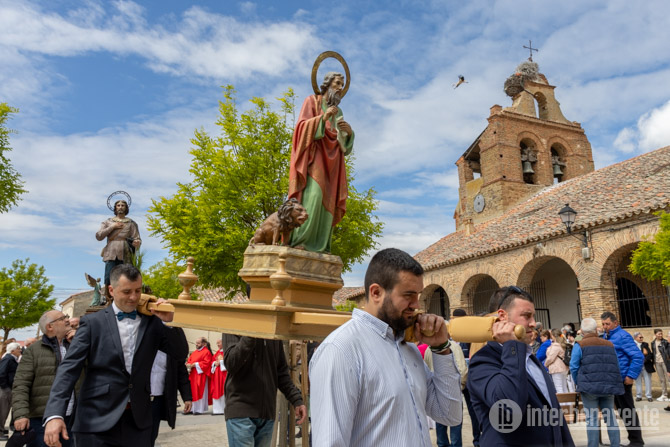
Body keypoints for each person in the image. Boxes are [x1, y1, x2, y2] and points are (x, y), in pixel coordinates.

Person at [309, 248, 462, 446]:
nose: (416, 305)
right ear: (376, 293)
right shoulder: (340, 350)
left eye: (418, 295)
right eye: (408, 295)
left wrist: (441, 348)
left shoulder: (409, 349)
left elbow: (449, 415)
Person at [43, 264, 188, 447]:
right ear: (111, 290)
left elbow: (180, 353)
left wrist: (170, 322)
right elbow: (68, 370)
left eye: (137, 290)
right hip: (95, 422)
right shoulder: (92, 323)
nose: (133, 297)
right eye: (127, 292)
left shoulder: (154, 323)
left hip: (139, 423)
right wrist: (55, 414)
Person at [467, 286, 574, 447]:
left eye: (533, 317)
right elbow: (509, 406)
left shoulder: (529, 358)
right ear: (502, 316)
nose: (533, 324)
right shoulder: (483, 361)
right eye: (526, 316)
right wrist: (512, 344)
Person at [287, 71, 354, 253]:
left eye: (342, 85)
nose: (340, 88)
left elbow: (342, 142)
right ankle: (301, 241)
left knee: (329, 202)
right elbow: (301, 129)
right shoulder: (312, 101)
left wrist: (349, 133)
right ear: (327, 84)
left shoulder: (339, 111)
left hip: (334, 163)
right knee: (314, 197)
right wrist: (323, 118)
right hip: (314, 158)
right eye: (337, 83)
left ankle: (321, 246)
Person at [223, 333, 307, 447]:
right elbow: (231, 363)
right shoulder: (235, 322)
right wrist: (250, 335)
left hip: (266, 416)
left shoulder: (273, 333)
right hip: (241, 412)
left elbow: (281, 373)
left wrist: (296, 400)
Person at [11, 310, 76, 447]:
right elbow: (21, 384)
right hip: (42, 419)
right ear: (50, 327)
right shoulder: (33, 351)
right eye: (62, 318)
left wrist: (80, 341)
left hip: (75, 418)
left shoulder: (76, 345)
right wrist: (21, 414)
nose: (67, 320)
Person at [569, 317, 623, 447]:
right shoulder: (608, 344)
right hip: (608, 386)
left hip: (589, 387)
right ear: (595, 329)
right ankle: (615, 445)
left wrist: (579, 382)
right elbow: (616, 364)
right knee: (610, 418)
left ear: (582, 330)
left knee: (592, 420)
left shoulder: (580, 344)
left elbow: (574, 366)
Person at [601, 311, 645, 447]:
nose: (605, 326)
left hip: (622, 380)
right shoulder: (605, 336)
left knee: (627, 410)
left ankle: (636, 441)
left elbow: (638, 357)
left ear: (615, 323)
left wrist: (630, 376)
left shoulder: (622, 336)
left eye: (607, 324)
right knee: (621, 410)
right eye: (603, 324)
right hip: (612, 380)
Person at [96, 199, 141, 301]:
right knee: (109, 275)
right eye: (118, 205)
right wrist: (112, 226)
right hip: (111, 251)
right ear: (115, 208)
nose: (120, 207)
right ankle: (108, 297)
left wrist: (137, 242)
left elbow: (137, 237)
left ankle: (125, 296)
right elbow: (99, 236)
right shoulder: (108, 222)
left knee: (126, 275)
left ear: (126, 208)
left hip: (126, 251)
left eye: (123, 205)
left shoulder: (131, 223)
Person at [149, 349, 192, 447]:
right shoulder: (141, 341)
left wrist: (187, 397)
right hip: (138, 398)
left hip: (158, 399)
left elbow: (181, 373)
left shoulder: (171, 347)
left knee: (151, 435)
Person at [186, 337, 212, 415]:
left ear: (204, 344)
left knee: (200, 391)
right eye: (196, 343)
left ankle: (199, 409)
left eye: (198, 343)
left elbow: (207, 363)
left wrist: (196, 364)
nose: (196, 344)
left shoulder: (206, 352)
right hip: (193, 375)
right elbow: (189, 360)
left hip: (201, 375)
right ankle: (192, 408)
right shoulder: (194, 352)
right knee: (192, 391)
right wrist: (188, 364)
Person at [0, 342, 21, 439]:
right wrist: (6, 387)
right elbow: (1, 373)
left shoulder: (11, 359)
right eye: (18, 349)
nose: (20, 350)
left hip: (8, 388)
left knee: (5, 411)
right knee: (2, 411)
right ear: (13, 350)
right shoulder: (8, 359)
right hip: (5, 390)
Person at [544, 328, 569, 393]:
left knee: (559, 388)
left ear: (553, 336)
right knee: (564, 387)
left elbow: (550, 358)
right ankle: (567, 402)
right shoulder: (562, 344)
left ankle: (562, 403)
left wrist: (545, 364)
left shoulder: (556, 346)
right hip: (563, 368)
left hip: (556, 368)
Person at [633, 332, 654, 402]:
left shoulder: (645, 344)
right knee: (638, 381)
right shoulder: (632, 345)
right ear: (635, 338)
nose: (642, 338)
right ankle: (639, 395)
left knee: (648, 381)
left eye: (642, 337)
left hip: (645, 365)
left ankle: (649, 395)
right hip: (636, 366)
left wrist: (644, 360)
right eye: (640, 337)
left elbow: (650, 354)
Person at [650, 328, 670, 401]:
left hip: (665, 362)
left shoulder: (665, 342)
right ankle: (664, 395)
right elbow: (654, 353)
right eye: (659, 334)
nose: (660, 335)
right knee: (662, 379)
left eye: (661, 333)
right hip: (657, 362)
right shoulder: (652, 343)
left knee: (669, 378)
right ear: (655, 334)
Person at [210, 339, 227, 416]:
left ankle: (223, 409)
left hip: (223, 375)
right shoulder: (217, 352)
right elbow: (212, 361)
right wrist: (214, 363)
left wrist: (220, 362)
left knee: (223, 391)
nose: (217, 345)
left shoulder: (226, 351)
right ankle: (217, 410)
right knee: (216, 390)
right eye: (217, 343)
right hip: (216, 376)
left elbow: (228, 361)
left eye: (219, 343)